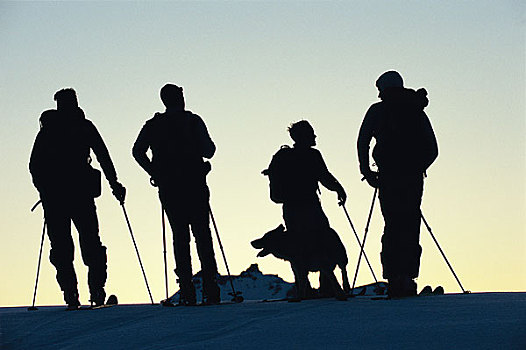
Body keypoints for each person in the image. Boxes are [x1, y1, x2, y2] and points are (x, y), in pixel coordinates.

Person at [29, 88, 126, 309]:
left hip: (55, 198)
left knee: (62, 246)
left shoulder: (48, 130)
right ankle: (97, 291)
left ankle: (71, 294)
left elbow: (34, 166)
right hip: (81, 195)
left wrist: (44, 189)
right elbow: (103, 156)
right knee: (91, 242)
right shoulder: (84, 126)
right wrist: (115, 184)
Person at [133, 83, 220, 305]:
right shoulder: (192, 120)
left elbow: (137, 151)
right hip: (195, 184)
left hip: (170, 187)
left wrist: (155, 172)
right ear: (179, 97)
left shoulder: (153, 125)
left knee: (180, 236)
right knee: (203, 235)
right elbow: (209, 150)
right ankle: (211, 289)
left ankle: (187, 291)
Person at [357, 71, 438, 298]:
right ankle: (407, 278)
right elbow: (433, 149)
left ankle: (394, 279)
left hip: (388, 177)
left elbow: (363, 140)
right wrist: (417, 168)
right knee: (410, 223)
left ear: (383, 89)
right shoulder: (416, 110)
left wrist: (367, 171)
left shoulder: (377, 111)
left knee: (392, 224)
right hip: (412, 178)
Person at [265, 120, 348, 298]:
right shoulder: (312, 155)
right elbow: (325, 177)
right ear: (304, 136)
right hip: (311, 206)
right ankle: (327, 288)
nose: (315, 137)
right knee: (322, 242)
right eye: (311, 134)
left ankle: (304, 288)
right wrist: (338, 189)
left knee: (298, 247)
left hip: (291, 209)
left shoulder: (283, 157)